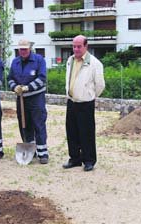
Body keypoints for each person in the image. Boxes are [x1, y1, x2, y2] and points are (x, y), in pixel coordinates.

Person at [62, 35, 105, 172]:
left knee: (86, 133)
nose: (76, 49)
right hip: (71, 102)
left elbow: (100, 85)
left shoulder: (94, 63)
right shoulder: (70, 60)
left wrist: (89, 95)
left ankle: (89, 160)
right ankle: (75, 158)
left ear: (86, 46)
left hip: (85, 103)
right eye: (74, 46)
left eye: (79, 46)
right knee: (72, 131)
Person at [7, 39, 49, 164]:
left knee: (39, 124)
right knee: (25, 125)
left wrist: (27, 87)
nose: (23, 51)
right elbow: (10, 78)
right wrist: (14, 86)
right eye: (21, 49)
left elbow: (42, 78)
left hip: (36, 98)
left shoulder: (39, 60)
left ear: (29, 48)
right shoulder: (15, 62)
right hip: (21, 99)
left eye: (25, 49)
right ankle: (32, 150)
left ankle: (43, 153)